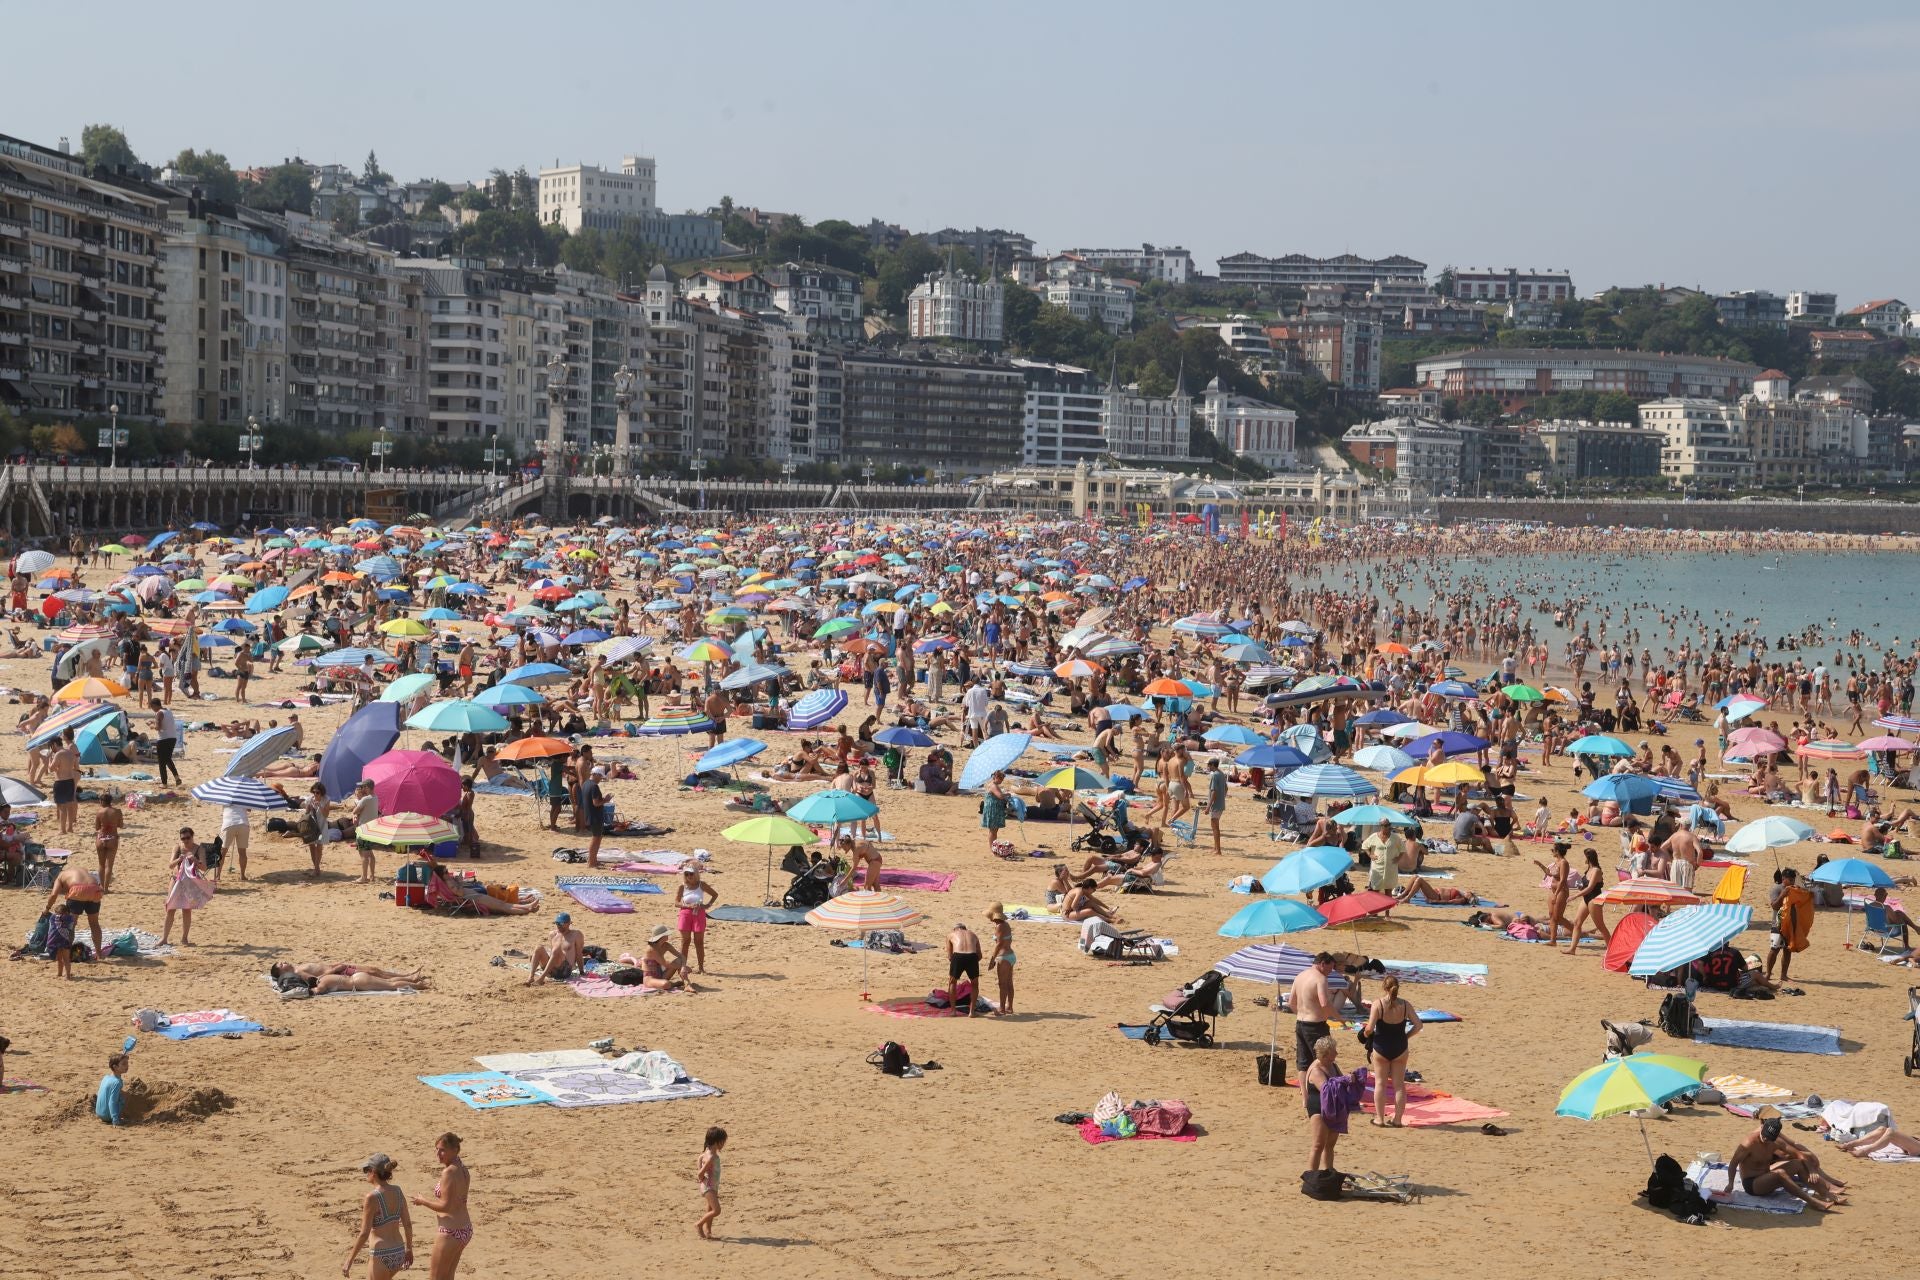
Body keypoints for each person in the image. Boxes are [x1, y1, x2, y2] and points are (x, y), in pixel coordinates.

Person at [1729, 1118, 1844, 1211]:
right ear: (1762, 1128)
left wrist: (1812, 1170)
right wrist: (1730, 1184)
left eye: (1768, 1138)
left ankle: (1825, 1193)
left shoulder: (1775, 1142)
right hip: (1753, 1185)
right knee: (1780, 1173)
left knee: (1798, 1163)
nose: (1764, 1139)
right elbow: (1733, 1163)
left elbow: (1799, 1155)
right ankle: (1812, 1202)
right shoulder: (1748, 1143)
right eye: (1763, 1135)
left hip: (1767, 1176)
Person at [409, 1132, 473, 1280]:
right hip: (465, 1229)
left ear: (455, 1150)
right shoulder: (462, 1168)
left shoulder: (448, 1172)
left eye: (442, 1150)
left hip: (450, 1232)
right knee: (448, 1277)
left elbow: (445, 1206)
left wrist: (423, 1201)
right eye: (436, 1149)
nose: (438, 1153)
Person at [1363, 973, 1422, 1128]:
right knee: (1399, 1085)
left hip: (1381, 1047)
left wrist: (1365, 1034)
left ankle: (1380, 1119)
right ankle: (1397, 1119)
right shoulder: (1405, 1005)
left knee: (1380, 1083)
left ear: (1384, 987)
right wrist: (1406, 1036)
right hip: (1400, 1047)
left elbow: (1369, 1028)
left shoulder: (1378, 1004)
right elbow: (1418, 1025)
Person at [343, 1152, 414, 1278]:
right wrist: (409, 1249)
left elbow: (364, 1233)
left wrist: (349, 1260)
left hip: (381, 1254)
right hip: (398, 1251)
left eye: (367, 1170)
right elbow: (408, 1224)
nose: (366, 1174)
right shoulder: (398, 1191)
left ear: (374, 1172)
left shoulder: (372, 1197)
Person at [45, 862, 105, 976]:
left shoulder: (60, 876)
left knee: (71, 925)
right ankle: (99, 954)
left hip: (77, 891)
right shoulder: (83, 870)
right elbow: (98, 884)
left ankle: (67, 953)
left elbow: (53, 895)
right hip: (94, 890)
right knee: (94, 924)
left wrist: (47, 909)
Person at [161, 831, 215, 945]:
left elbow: (204, 868)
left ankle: (184, 938)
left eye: (188, 838)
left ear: (192, 837)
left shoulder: (199, 849)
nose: (185, 841)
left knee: (186, 909)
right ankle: (164, 938)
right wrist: (179, 860)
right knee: (170, 907)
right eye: (183, 838)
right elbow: (170, 865)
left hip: (189, 882)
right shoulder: (177, 847)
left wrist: (195, 860)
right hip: (176, 879)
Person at [1290, 952, 1337, 1071]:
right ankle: (1323, 1087)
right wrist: (1339, 1018)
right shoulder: (1321, 979)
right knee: (1324, 1059)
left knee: (1303, 1062)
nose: (1331, 971)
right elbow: (1324, 1003)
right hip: (1316, 1025)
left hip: (1300, 1023)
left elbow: (1291, 1002)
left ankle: (1303, 1090)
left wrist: (1302, 1014)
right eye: (1330, 968)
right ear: (1322, 964)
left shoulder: (1300, 976)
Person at [1766, 867, 1813, 983]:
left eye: (1793, 879)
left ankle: (1783, 975)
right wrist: (1783, 894)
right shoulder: (1777, 889)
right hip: (1778, 924)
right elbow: (1774, 906)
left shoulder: (1794, 889)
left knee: (1788, 950)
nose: (1792, 882)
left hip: (1791, 924)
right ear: (1783, 879)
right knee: (1774, 949)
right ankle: (1768, 974)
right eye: (1790, 879)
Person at [1303, 1035, 1341, 1174]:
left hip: (1333, 1108)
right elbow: (1327, 1090)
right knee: (1318, 1145)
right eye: (1334, 1050)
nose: (1336, 1053)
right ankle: (1311, 1175)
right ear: (1325, 1054)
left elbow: (1341, 1082)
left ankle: (1328, 1171)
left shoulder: (1333, 1065)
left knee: (1330, 1144)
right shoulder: (1316, 1070)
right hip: (1319, 1108)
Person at [1563, 846, 1612, 954]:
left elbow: (1590, 888)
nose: (1583, 859)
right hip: (1587, 898)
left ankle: (1611, 950)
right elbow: (1586, 887)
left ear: (1588, 858)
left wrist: (1575, 896)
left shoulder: (1596, 870)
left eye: (1585, 857)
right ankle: (1572, 949)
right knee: (1577, 923)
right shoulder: (1589, 870)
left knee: (1600, 926)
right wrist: (1580, 887)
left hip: (1594, 899)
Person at [270, 961, 428, 993]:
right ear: (281, 973)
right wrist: (334, 970)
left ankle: (408, 976)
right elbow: (316, 980)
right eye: (281, 965)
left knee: (376, 971)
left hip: (340, 970)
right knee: (377, 974)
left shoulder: (298, 967)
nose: (284, 962)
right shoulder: (298, 973)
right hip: (340, 973)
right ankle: (411, 978)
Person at [675, 864, 718, 974]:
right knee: (685, 941)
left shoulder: (701, 885)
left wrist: (707, 905)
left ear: (696, 874)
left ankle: (701, 968)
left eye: (691, 873)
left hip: (699, 914)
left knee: (699, 941)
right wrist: (687, 906)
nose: (689, 876)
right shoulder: (682, 886)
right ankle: (683, 966)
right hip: (685, 914)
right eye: (687, 874)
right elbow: (676, 903)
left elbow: (714, 894)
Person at [1532, 841, 1573, 947]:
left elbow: (1563, 880)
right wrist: (1539, 864)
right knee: (1551, 915)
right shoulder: (1556, 862)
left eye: (1553, 850)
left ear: (1558, 851)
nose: (1551, 851)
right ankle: (1553, 940)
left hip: (1561, 891)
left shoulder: (1564, 862)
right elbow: (1550, 873)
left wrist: (1556, 894)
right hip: (1553, 890)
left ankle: (1576, 930)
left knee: (1558, 917)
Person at [527, 912, 584, 986]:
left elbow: (579, 954)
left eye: (561, 924)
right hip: (552, 970)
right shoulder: (552, 934)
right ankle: (530, 977)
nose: (558, 926)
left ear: (569, 923)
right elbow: (552, 955)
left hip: (565, 970)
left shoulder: (576, 935)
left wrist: (582, 971)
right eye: (557, 923)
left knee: (557, 950)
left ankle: (541, 978)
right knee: (539, 948)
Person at [695, 1126, 727, 1241]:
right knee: (717, 1210)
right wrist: (701, 1177)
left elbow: (699, 1158)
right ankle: (699, 1225)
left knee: (710, 1210)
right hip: (708, 1187)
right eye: (723, 1142)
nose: (724, 1144)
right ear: (717, 1142)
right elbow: (700, 1174)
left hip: (712, 1186)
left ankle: (708, 1232)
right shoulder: (712, 1157)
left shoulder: (706, 1154)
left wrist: (702, 1176)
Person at [946, 919, 983, 1015]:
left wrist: (956, 964)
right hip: (972, 956)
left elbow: (950, 956)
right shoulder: (973, 934)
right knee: (975, 984)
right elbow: (980, 955)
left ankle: (953, 1011)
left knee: (952, 982)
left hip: (958, 956)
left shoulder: (951, 934)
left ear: (955, 929)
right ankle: (972, 1012)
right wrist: (972, 962)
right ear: (965, 929)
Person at [985, 903, 1015, 1016]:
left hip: (1004, 957)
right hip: (1010, 955)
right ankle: (1010, 1007)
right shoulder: (1006, 924)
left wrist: (992, 960)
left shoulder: (999, 927)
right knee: (1009, 983)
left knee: (1002, 985)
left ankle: (1002, 1009)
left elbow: (999, 944)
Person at [50, 731, 81, 834]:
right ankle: (70, 828)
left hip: (61, 782)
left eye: (51, 747)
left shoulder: (58, 754)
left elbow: (51, 769)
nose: (52, 749)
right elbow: (76, 767)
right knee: (70, 805)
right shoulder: (70, 753)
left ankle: (63, 830)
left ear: (54, 744)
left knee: (62, 807)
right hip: (70, 781)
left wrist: (49, 759)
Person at [581, 765, 609, 868]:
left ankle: (593, 860)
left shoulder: (585, 784)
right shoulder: (594, 786)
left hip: (589, 814)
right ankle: (591, 862)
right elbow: (596, 803)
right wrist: (606, 800)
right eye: (600, 777)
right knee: (596, 838)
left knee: (597, 837)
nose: (601, 779)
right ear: (596, 775)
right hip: (595, 816)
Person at [151, 697, 182, 787]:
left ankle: (164, 783)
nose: (152, 709)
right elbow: (165, 723)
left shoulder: (159, 713)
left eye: (152, 707)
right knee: (168, 759)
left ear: (155, 706)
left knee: (162, 762)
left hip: (163, 739)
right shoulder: (168, 711)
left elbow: (159, 727)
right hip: (172, 738)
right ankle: (177, 778)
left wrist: (152, 726)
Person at [980, 770, 1010, 851]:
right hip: (993, 809)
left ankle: (993, 846)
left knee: (994, 830)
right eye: (1001, 779)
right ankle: (992, 848)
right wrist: (1007, 794)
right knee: (993, 830)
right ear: (996, 777)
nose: (1001, 781)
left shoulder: (993, 785)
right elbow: (1000, 796)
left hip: (994, 809)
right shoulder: (993, 786)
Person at [96, 1050, 127, 1126]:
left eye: (127, 1063)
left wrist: (121, 1058)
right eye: (124, 1064)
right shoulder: (117, 1082)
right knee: (123, 1099)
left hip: (99, 1113)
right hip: (107, 1117)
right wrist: (115, 1120)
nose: (127, 1066)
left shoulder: (106, 1077)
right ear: (115, 1067)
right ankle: (116, 1117)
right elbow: (112, 1102)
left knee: (119, 1093)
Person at [1205, 756, 1229, 855]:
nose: (1208, 767)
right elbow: (1226, 788)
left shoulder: (1215, 775)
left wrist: (1208, 806)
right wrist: (1222, 798)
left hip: (1215, 805)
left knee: (1215, 827)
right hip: (1220, 803)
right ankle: (1216, 848)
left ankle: (1218, 850)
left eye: (1209, 765)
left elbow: (1214, 792)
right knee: (1215, 826)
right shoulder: (1221, 774)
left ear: (1212, 765)